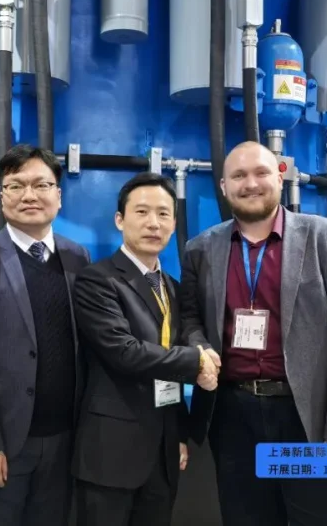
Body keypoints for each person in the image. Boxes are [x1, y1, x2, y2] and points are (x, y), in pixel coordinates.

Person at [179, 141, 327, 526]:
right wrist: (201, 350)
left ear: (280, 178)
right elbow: (190, 319)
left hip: (310, 418)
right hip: (233, 417)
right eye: (239, 176)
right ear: (223, 186)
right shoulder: (200, 249)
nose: (251, 183)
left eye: (261, 173)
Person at [71, 172, 219, 526]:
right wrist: (197, 362)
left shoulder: (171, 286)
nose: (154, 223)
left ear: (174, 224)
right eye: (141, 212)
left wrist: (177, 434)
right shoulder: (98, 280)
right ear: (119, 220)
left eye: (164, 214)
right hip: (111, 452)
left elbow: (171, 357)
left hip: (163, 452)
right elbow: (124, 351)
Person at [0, 144, 91, 526]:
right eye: (16, 186)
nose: (29, 195)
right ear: (2, 198)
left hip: (65, 439)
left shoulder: (78, 258)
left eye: (41, 185)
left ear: (58, 196)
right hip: (4, 443)